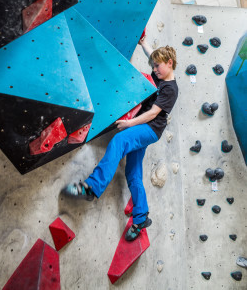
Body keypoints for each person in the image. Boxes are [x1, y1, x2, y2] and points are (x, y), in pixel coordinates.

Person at [62, 36, 179, 241]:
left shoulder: (171, 89)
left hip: (150, 128)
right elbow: (151, 54)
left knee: (119, 141)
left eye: (158, 66)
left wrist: (129, 124)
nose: (155, 69)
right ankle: (141, 217)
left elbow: (152, 114)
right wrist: (143, 42)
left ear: (170, 64)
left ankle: (92, 187)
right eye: (154, 66)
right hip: (143, 126)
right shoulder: (161, 73)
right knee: (133, 173)